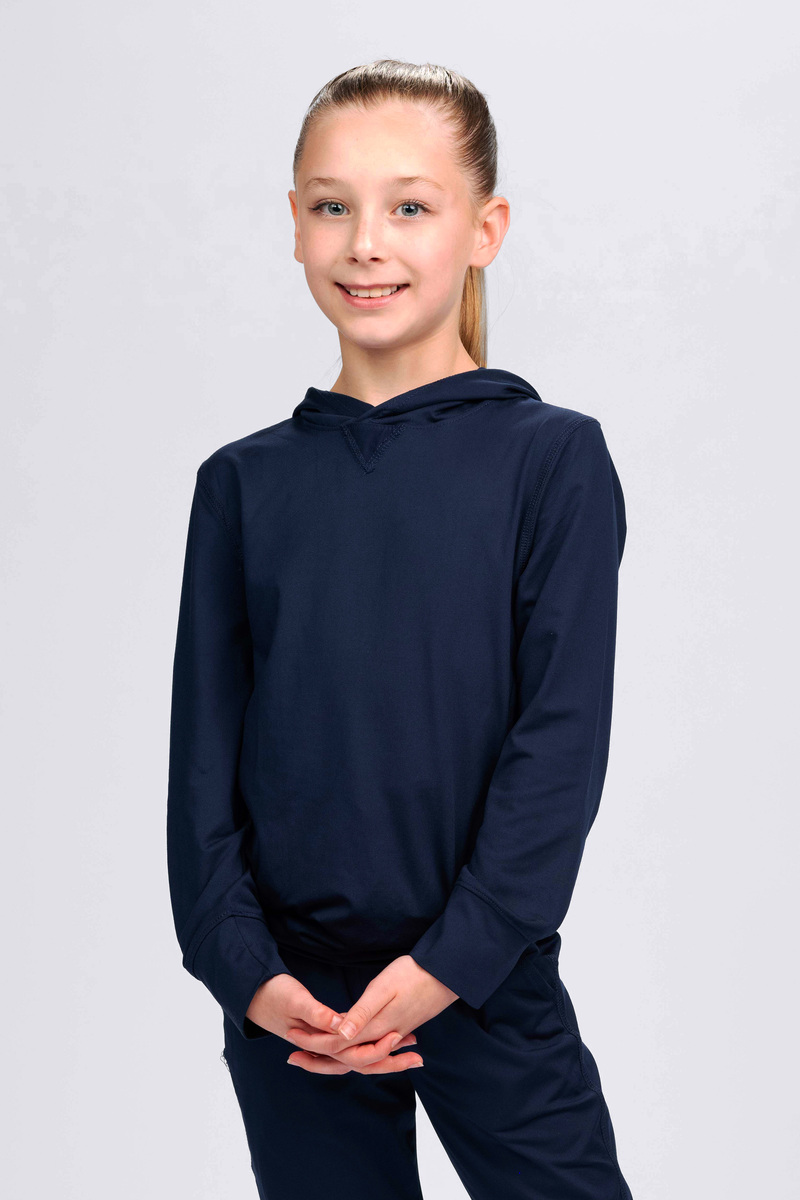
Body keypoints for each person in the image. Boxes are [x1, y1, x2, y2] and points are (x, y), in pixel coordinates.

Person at [166, 57, 635, 1200]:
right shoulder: (242, 484)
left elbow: (557, 748)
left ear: (484, 230)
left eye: (410, 207)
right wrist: (247, 977)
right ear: (294, 224)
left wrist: (447, 964)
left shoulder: (551, 462)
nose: (365, 243)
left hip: (480, 973)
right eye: (333, 207)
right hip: (294, 1000)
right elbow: (201, 769)